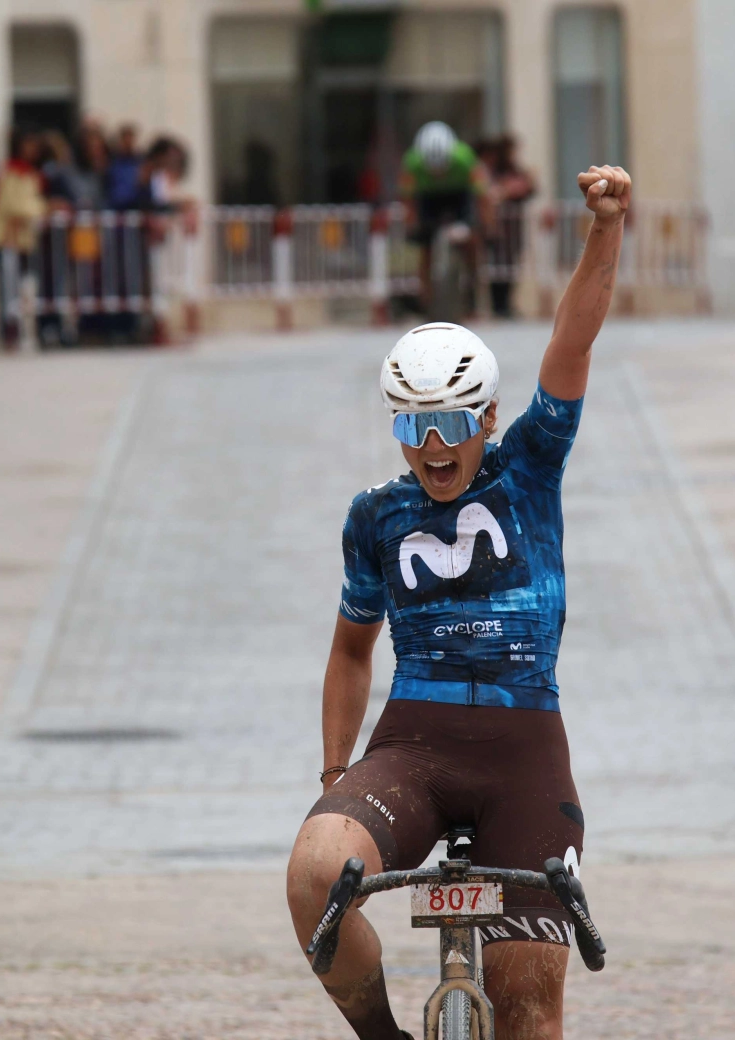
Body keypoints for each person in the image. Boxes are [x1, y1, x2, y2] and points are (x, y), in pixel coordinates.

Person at [286, 165, 632, 1040]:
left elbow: (572, 344)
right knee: (314, 873)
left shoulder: (530, 468)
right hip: (415, 746)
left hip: (524, 751)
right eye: (413, 425)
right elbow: (351, 650)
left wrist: (605, 229)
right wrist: (334, 777)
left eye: (450, 422)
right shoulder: (376, 516)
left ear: (487, 419)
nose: (433, 446)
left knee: (528, 1014)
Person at [399, 122, 489, 318]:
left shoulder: (465, 158)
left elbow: (481, 195)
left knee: (472, 241)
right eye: (433, 169)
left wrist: (485, 225)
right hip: (428, 197)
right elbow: (408, 198)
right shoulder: (412, 163)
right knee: (425, 248)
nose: (438, 174)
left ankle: (473, 293)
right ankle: (425, 301)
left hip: (459, 195)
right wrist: (411, 224)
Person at [0, 129, 48, 347]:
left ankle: (18, 329)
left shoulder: (30, 173)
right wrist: (43, 209)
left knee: (20, 286)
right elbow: (14, 205)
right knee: (7, 287)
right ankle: (8, 330)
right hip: (5, 237)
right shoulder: (11, 171)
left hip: (20, 239)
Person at [477, 136, 536, 319]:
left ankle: (506, 304)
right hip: (496, 230)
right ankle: (498, 305)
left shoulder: (515, 171)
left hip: (512, 231)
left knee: (510, 267)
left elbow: (528, 188)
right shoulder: (491, 171)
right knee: (496, 268)